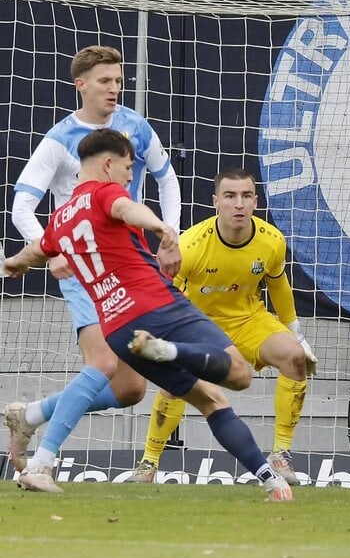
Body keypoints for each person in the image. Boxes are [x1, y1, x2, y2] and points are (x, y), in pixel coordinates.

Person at [2, 129, 291, 501]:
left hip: (119, 329)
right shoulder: (106, 193)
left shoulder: (60, 219)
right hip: (158, 307)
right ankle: (169, 352)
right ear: (107, 164)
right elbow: (127, 209)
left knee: (199, 398)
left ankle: (272, 482)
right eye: (127, 167)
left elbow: (34, 252)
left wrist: (10, 265)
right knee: (239, 376)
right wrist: (159, 227)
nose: (129, 175)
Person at [4, 45, 181, 475]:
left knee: (130, 388)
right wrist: (54, 252)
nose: (114, 89)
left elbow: (167, 178)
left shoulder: (135, 127)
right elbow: (22, 206)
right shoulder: (59, 140)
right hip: (83, 267)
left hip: (130, 264)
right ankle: (41, 466)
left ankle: (27, 417)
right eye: (105, 81)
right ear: (80, 85)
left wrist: (170, 237)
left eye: (119, 81)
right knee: (101, 363)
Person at [125, 167, 317, 485]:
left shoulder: (272, 241)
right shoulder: (191, 246)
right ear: (216, 201)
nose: (238, 204)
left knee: (296, 358)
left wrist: (296, 334)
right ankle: (148, 465)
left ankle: (281, 456)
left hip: (248, 321)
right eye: (230, 196)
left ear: (256, 201)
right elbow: (162, 291)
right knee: (174, 384)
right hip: (198, 325)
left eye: (245, 196)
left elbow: (279, 286)